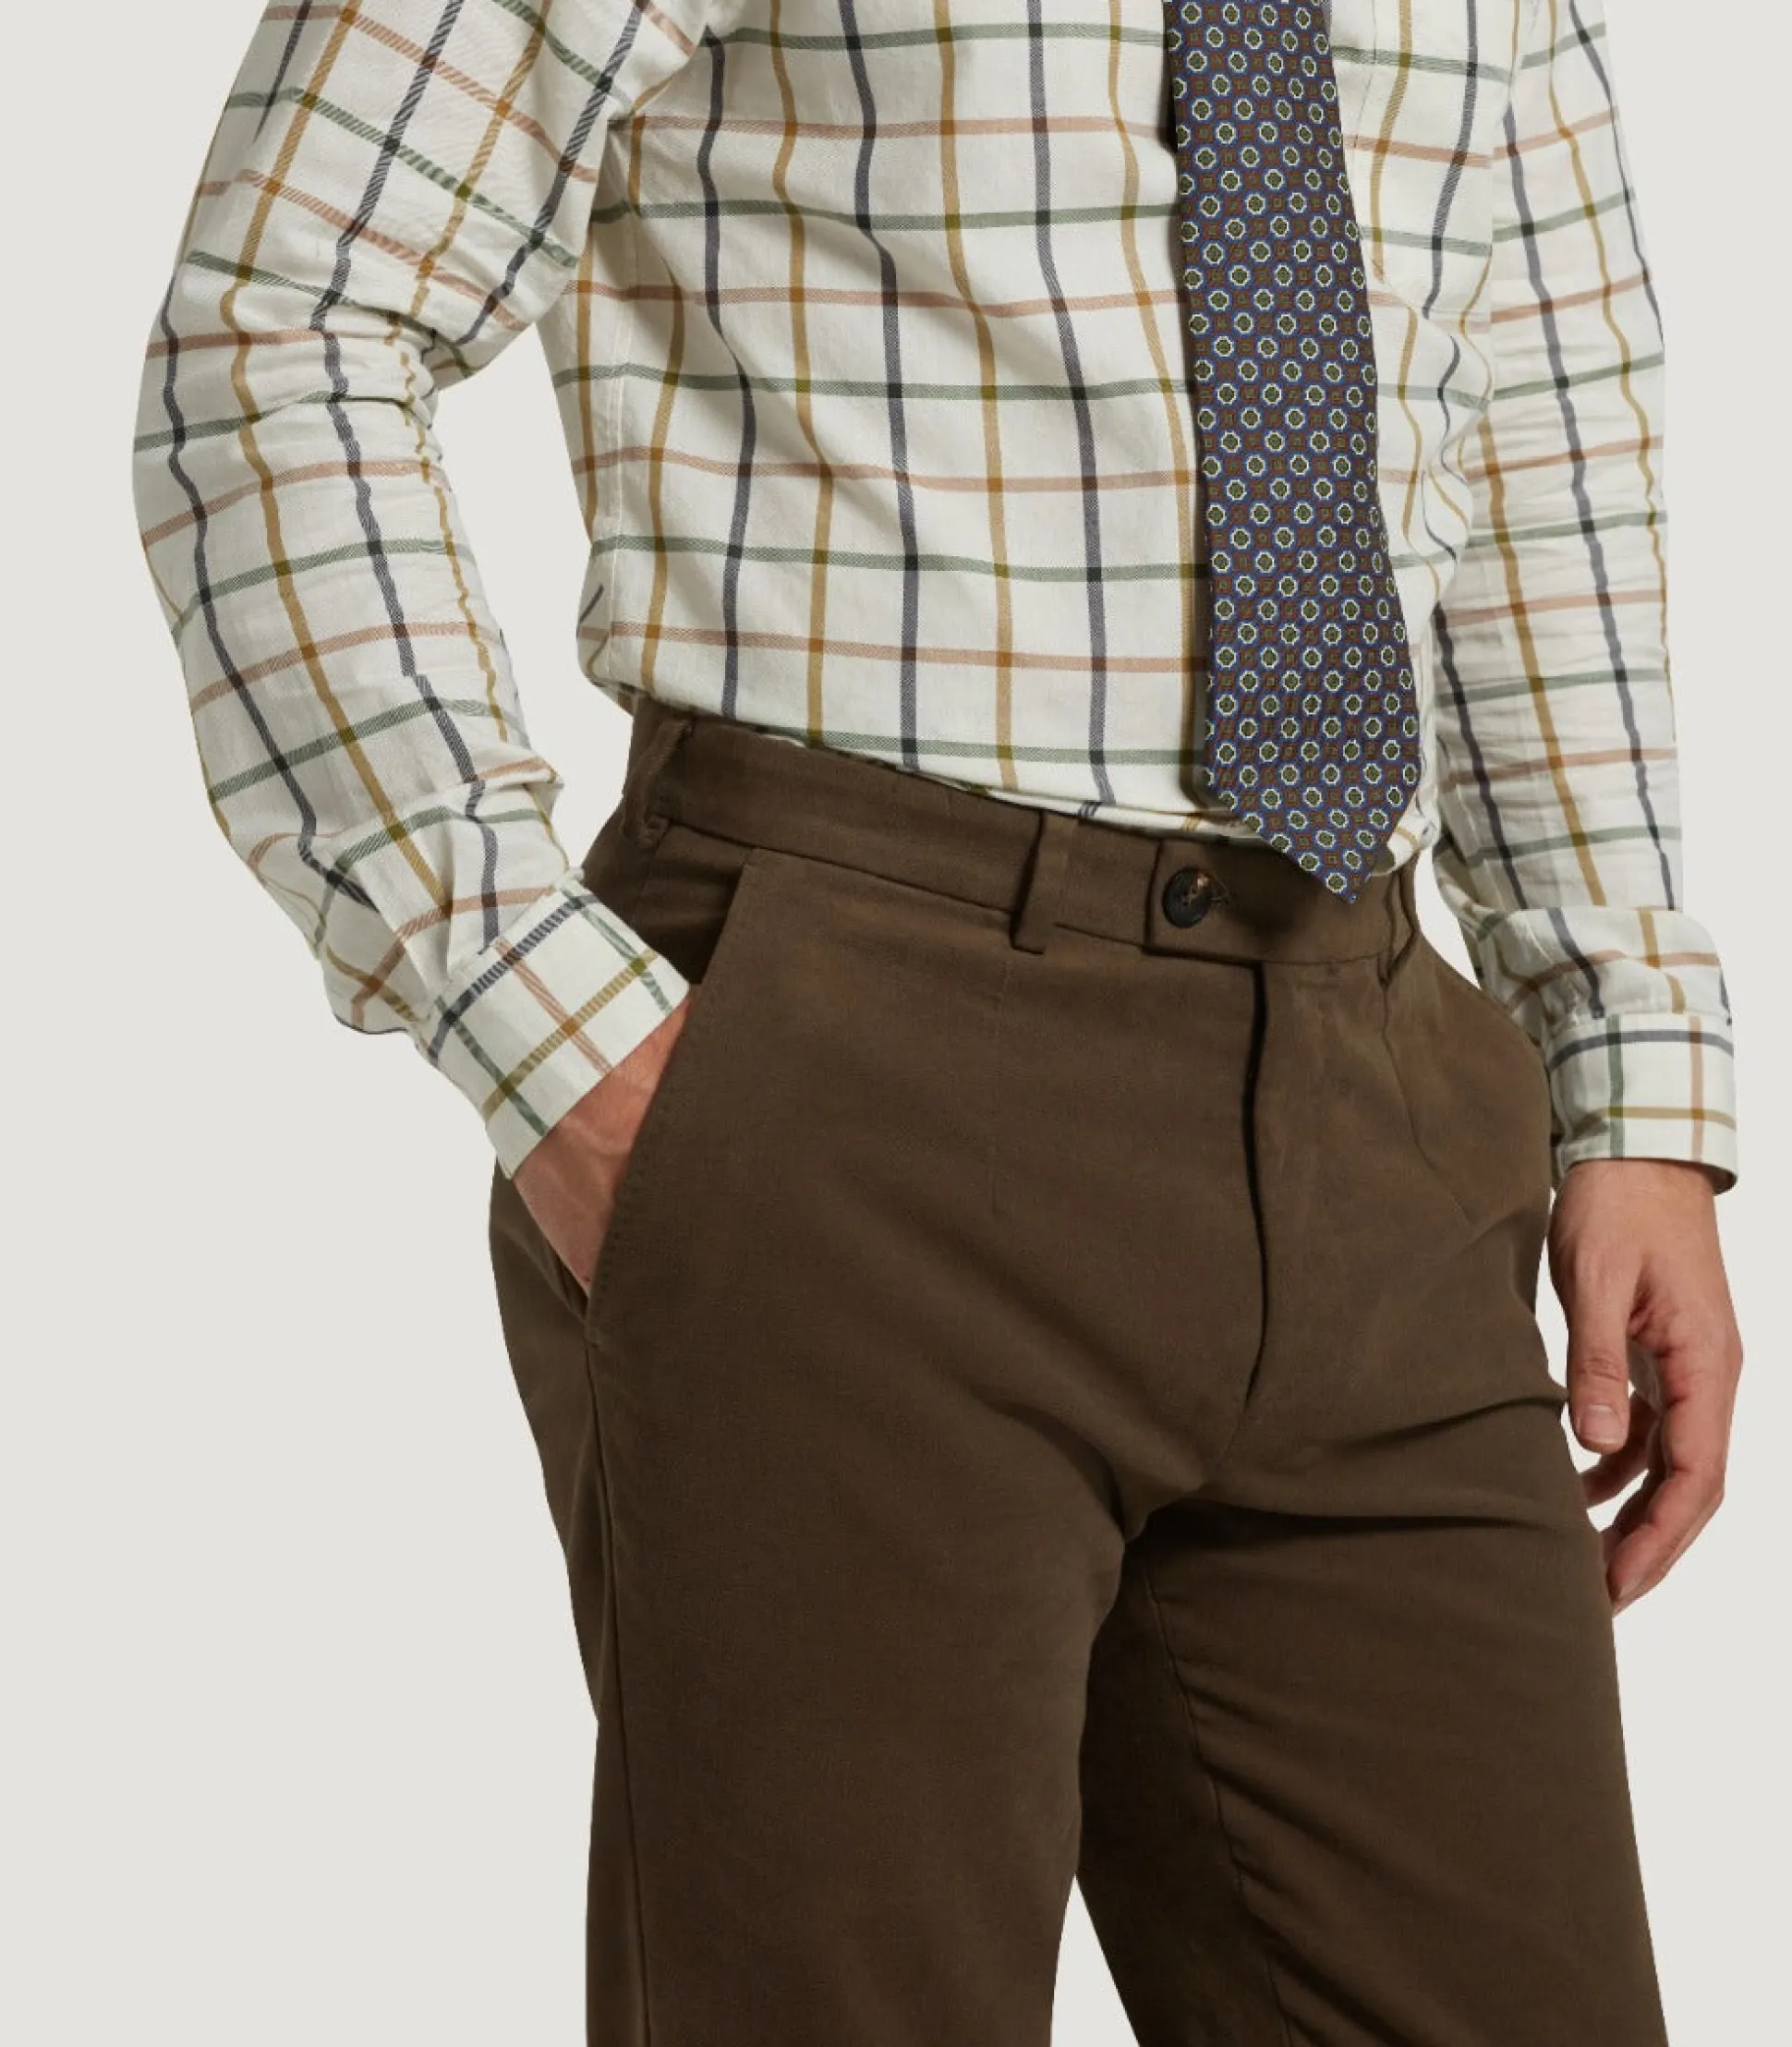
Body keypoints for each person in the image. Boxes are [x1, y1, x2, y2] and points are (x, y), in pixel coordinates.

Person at [131, 2, 1744, 2041]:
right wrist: (557, 1037)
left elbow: (1541, 409)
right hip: (854, 1059)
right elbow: (284, 319)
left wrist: (1629, 1075)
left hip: (1377, 1087)